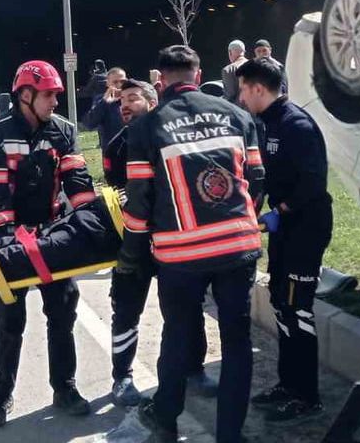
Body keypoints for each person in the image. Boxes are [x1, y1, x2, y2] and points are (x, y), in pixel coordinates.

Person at [120, 45, 265, 443]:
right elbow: (257, 179)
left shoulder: (146, 127)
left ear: (161, 81)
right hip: (237, 248)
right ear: (198, 76)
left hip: (180, 255)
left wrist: (132, 255)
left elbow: (139, 199)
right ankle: (230, 435)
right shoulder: (237, 115)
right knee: (237, 342)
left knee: (178, 335)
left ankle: (166, 420)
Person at [0, 60, 97, 427]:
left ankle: (65, 387)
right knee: (9, 320)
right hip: (10, 240)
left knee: (63, 313)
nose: (55, 102)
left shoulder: (63, 131)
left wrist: (89, 227)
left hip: (53, 234)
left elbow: (77, 182)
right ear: (25, 95)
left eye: (57, 95)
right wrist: (14, 248)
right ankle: (1, 396)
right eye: (49, 95)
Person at [102, 79, 215, 408]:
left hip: (175, 240)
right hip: (133, 242)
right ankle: (122, 376)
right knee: (125, 309)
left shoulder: (173, 135)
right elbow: (117, 193)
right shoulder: (115, 148)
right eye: (121, 99)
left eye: (133, 97)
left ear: (152, 102)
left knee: (187, 307)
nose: (124, 104)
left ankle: (195, 369)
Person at [237, 58, 333, 423]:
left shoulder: (296, 125)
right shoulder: (265, 123)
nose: (241, 96)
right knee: (280, 304)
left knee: (298, 311)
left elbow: (314, 182)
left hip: (305, 230)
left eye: (244, 89)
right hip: (284, 230)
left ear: (258, 88)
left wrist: (283, 209)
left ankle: (307, 396)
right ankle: (287, 384)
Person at [82, 66, 126, 157]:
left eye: (122, 81)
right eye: (115, 82)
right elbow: (90, 123)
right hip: (111, 153)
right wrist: (105, 102)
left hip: (133, 151)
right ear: (107, 83)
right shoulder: (101, 100)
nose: (119, 85)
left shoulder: (133, 99)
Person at [220, 40, 248, 104]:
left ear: (230, 52)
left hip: (238, 110)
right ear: (244, 52)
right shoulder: (256, 66)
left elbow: (229, 95)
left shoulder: (228, 70)